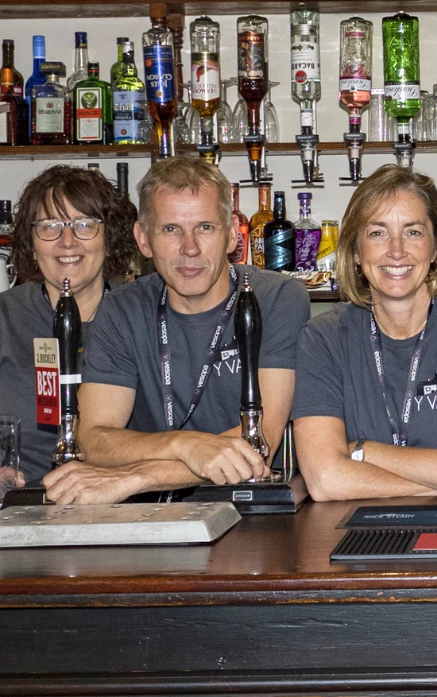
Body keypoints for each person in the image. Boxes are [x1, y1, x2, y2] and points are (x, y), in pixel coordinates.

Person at [67, 156, 310, 503]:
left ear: (231, 236)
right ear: (143, 240)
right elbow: (92, 440)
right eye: (171, 229)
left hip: (249, 510)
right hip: (149, 520)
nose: (190, 248)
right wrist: (186, 444)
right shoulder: (122, 308)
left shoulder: (276, 298)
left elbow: (258, 442)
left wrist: (138, 476)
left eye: (205, 228)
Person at [292, 165, 437, 501]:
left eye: (412, 232)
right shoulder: (323, 338)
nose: (396, 251)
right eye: (377, 233)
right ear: (355, 250)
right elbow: (324, 481)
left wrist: (363, 451)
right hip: (352, 537)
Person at [0, 165, 139, 515]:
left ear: (110, 235)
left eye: (84, 224)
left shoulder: (140, 316)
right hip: (14, 514)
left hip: (126, 513)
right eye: (49, 226)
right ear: (30, 239)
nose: (67, 242)